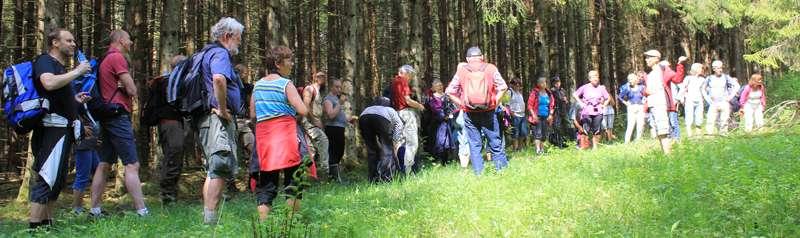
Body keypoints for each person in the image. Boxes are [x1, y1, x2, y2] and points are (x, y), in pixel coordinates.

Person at [28, 28, 92, 230]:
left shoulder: (60, 67)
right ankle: (33, 230)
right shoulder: (45, 61)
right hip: (52, 131)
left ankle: (46, 227)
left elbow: (56, 96)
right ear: (55, 43)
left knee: (56, 182)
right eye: (69, 40)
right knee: (47, 179)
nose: (73, 44)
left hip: (63, 131)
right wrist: (77, 71)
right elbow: (47, 83)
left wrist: (75, 100)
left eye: (74, 40)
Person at [188, 17, 245, 225]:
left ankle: (208, 219)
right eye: (238, 38)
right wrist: (222, 110)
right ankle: (210, 223)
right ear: (227, 36)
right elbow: (219, 79)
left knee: (214, 169)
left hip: (206, 118)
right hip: (216, 119)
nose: (239, 43)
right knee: (220, 166)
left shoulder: (206, 52)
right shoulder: (220, 53)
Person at [89, 29, 148, 217]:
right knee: (132, 164)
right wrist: (127, 87)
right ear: (121, 41)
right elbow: (132, 90)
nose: (131, 43)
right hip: (117, 115)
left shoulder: (104, 59)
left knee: (104, 163)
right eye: (129, 40)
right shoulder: (117, 57)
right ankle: (142, 211)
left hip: (104, 114)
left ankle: (95, 210)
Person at [249, 46, 309, 222]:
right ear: (278, 63)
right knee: (293, 182)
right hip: (286, 138)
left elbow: (253, 115)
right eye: (289, 59)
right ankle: (292, 225)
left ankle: (263, 227)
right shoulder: (286, 84)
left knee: (266, 185)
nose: (292, 63)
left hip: (265, 140)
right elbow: (303, 110)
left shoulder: (257, 85)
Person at [445, 47, 508, 175]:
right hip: (489, 111)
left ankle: (479, 173)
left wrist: (462, 104)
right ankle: (502, 172)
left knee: (474, 144)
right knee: (495, 141)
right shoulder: (490, 68)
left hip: (469, 113)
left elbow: (449, 91)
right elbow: (503, 87)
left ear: (467, 59)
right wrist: (495, 102)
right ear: (482, 57)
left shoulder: (462, 70)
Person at [642, 50, 685, 154]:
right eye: (646, 57)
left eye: (649, 57)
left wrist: (680, 64)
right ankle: (665, 154)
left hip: (661, 104)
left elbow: (678, 79)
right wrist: (645, 92)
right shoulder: (650, 74)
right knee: (658, 131)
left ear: (657, 59)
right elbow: (648, 90)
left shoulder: (664, 70)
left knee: (663, 130)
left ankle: (668, 156)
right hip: (652, 105)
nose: (646, 60)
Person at [359, 97, 405, 182]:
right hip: (381, 118)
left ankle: (373, 178)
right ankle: (386, 177)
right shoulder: (390, 109)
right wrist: (395, 141)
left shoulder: (370, 108)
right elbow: (399, 125)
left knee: (371, 151)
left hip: (363, 117)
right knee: (387, 150)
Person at [391, 65, 425, 174]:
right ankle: (408, 170)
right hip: (406, 113)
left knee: (400, 142)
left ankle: (399, 169)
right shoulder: (403, 81)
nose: (410, 79)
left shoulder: (393, 82)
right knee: (412, 142)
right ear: (406, 73)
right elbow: (408, 101)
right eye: (411, 76)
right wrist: (419, 106)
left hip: (396, 113)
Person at [301, 71, 330, 179]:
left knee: (311, 150)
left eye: (323, 76)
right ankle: (325, 174)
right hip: (308, 122)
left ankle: (306, 176)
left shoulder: (319, 91)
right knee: (324, 141)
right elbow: (305, 105)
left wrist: (319, 122)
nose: (322, 78)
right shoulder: (309, 89)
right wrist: (313, 120)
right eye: (319, 76)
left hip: (314, 122)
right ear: (314, 77)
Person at [572, 70, 610, 149]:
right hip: (587, 111)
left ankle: (595, 148)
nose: (596, 78)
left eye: (596, 76)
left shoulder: (601, 88)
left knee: (597, 130)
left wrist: (604, 105)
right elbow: (575, 94)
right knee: (586, 129)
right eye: (593, 76)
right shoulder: (585, 87)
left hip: (598, 111)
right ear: (589, 79)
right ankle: (583, 147)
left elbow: (608, 98)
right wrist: (581, 103)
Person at [323, 79, 350, 182]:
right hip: (332, 129)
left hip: (340, 128)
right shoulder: (328, 99)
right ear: (331, 87)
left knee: (339, 152)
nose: (339, 89)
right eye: (336, 87)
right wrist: (340, 103)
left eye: (340, 87)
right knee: (334, 152)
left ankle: (334, 177)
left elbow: (338, 114)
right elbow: (331, 115)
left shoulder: (336, 99)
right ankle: (333, 178)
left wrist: (348, 120)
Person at [703, 60, 740, 135]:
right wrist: (708, 99)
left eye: (721, 68)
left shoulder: (726, 77)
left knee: (724, 121)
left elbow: (737, 86)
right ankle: (709, 136)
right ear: (713, 69)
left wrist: (730, 97)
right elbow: (703, 89)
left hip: (724, 102)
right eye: (718, 68)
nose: (720, 70)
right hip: (713, 103)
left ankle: (723, 135)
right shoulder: (709, 78)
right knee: (710, 120)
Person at [426, 80, 455, 164]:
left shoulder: (446, 96)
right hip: (436, 123)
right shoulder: (432, 98)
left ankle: (445, 160)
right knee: (438, 140)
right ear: (434, 87)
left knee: (447, 140)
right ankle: (436, 159)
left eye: (441, 85)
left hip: (447, 122)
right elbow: (434, 109)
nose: (440, 87)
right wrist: (442, 116)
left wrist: (449, 114)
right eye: (438, 85)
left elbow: (451, 107)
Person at [527, 77, 554, 155]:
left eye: (545, 82)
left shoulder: (549, 93)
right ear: (538, 84)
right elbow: (529, 105)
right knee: (537, 134)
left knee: (544, 134)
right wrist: (533, 115)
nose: (543, 84)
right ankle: (538, 150)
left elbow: (552, 105)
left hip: (546, 116)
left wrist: (551, 114)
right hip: (537, 116)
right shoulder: (534, 93)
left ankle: (542, 150)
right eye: (541, 82)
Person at [678, 63, 706, 137]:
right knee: (689, 118)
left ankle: (698, 136)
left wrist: (707, 100)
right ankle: (690, 136)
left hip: (699, 100)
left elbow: (703, 91)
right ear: (696, 69)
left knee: (699, 118)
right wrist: (680, 98)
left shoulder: (702, 79)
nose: (701, 70)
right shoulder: (688, 78)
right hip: (690, 100)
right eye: (700, 68)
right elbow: (683, 88)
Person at [618, 73, 646, 143]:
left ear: (636, 79)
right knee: (630, 125)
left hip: (640, 107)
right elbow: (619, 97)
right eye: (629, 79)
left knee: (640, 124)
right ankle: (626, 142)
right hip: (631, 107)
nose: (630, 81)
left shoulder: (641, 87)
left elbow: (645, 95)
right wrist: (626, 103)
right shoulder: (627, 88)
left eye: (631, 79)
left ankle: (639, 141)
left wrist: (644, 100)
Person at [507, 78, 527, 151]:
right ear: (512, 84)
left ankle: (520, 148)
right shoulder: (509, 92)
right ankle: (515, 149)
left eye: (519, 84)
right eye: (516, 84)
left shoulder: (519, 93)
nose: (517, 86)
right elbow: (506, 104)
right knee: (515, 133)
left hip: (522, 115)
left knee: (523, 132)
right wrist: (512, 114)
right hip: (515, 115)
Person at [549, 76, 569, 148]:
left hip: (564, 110)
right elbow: (556, 99)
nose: (557, 83)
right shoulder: (552, 91)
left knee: (567, 126)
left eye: (558, 82)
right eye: (556, 82)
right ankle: (558, 143)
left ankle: (566, 142)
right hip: (556, 111)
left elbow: (566, 100)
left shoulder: (563, 90)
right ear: (553, 83)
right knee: (557, 127)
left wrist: (566, 100)